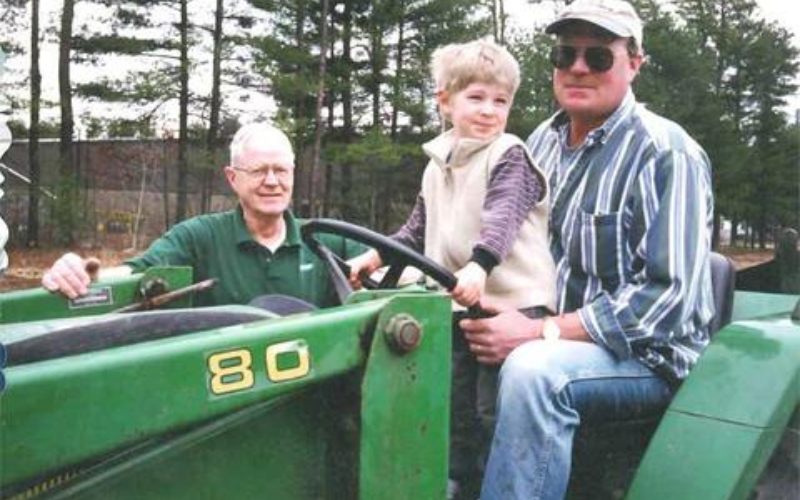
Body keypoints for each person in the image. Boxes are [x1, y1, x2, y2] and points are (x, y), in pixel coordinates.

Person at [458, 1, 715, 499]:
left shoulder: (666, 152)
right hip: (554, 330)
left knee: (535, 374)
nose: (577, 67)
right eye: (564, 54)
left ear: (634, 62)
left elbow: (668, 300)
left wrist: (538, 332)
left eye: (598, 57)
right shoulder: (541, 144)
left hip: (649, 360)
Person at [347, 38, 557, 499]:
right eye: (476, 97)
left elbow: (501, 219)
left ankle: (496, 488)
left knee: (491, 411)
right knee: (452, 406)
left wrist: (480, 266)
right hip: (461, 308)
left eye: (500, 101)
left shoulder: (510, 155)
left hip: (514, 311)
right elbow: (417, 229)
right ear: (445, 100)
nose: (489, 111)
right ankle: (454, 485)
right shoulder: (439, 163)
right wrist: (373, 257)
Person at [41, 122, 360, 309]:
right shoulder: (199, 237)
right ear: (232, 178)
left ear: (293, 174)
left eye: (280, 170)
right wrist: (79, 273)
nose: (272, 181)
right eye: (259, 170)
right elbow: (136, 274)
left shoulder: (324, 239)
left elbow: (388, 264)